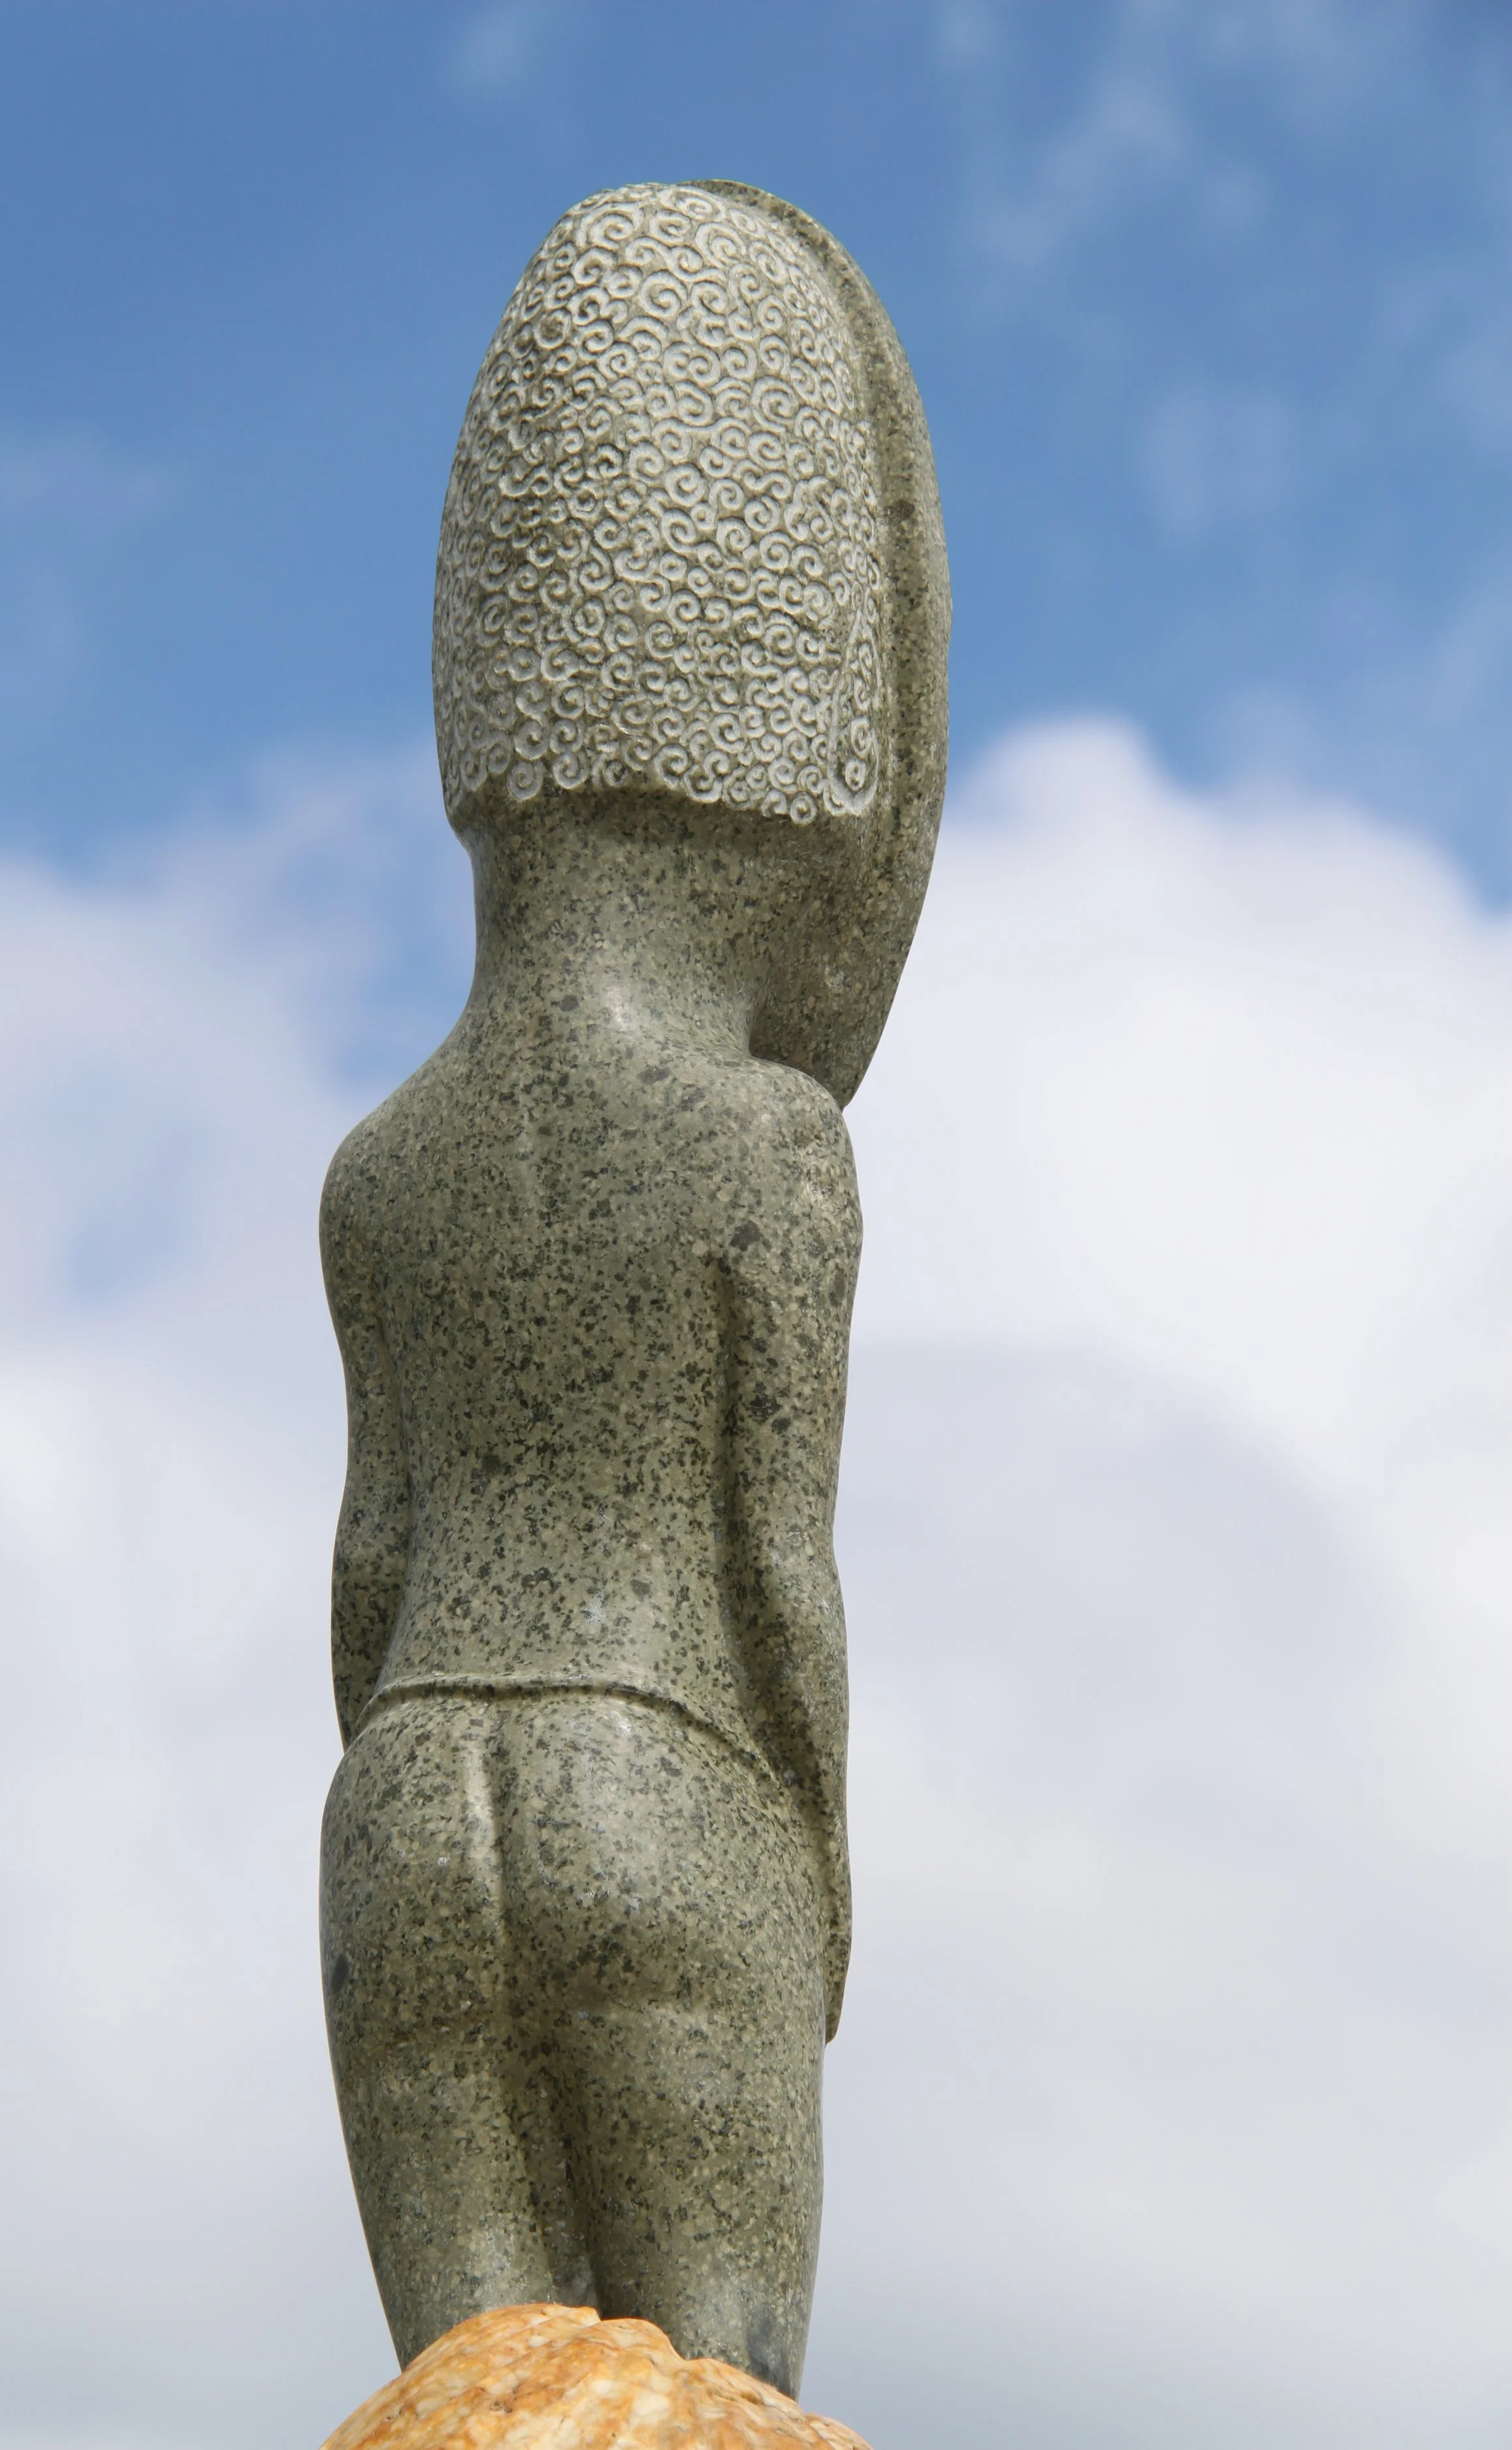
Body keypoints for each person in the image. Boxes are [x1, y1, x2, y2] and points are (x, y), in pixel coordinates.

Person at [318, 179, 947, 2399]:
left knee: (462, 2397)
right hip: (663, 1766)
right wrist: (820, 1883)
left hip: (401, 1807)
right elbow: (776, 1571)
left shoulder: (379, 1172)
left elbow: (371, 1568)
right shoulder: (769, 1149)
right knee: (722, 2395)